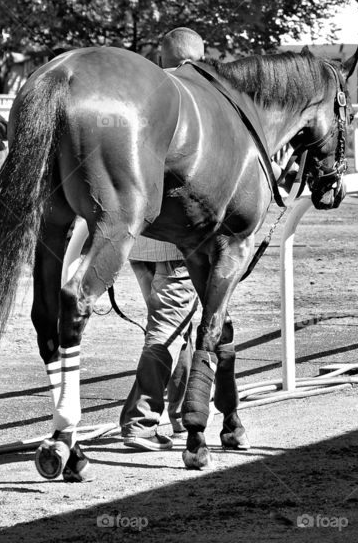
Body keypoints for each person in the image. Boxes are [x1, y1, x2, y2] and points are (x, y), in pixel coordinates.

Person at [120, 28, 245, 453]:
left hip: (138, 244)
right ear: (198, 58)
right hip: (179, 246)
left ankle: (176, 416)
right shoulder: (197, 103)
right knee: (167, 331)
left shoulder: (147, 96)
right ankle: (140, 420)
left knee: (176, 327)